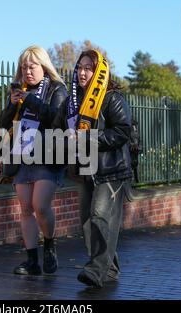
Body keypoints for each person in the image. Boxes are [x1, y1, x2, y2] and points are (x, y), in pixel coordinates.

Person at [53, 50, 132, 288]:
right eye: (80, 67)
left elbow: (122, 132)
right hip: (84, 168)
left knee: (100, 215)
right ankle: (110, 268)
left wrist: (88, 137)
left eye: (89, 68)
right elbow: (56, 127)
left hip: (111, 169)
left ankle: (97, 270)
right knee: (87, 222)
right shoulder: (71, 103)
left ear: (99, 72)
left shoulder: (111, 98)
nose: (82, 72)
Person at [0, 45, 68, 275]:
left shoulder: (57, 89)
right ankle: (31, 261)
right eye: (24, 67)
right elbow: (3, 123)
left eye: (32, 66)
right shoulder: (21, 90)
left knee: (40, 205)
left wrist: (29, 101)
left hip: (48, 156)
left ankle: (49, 245)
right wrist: (12, 104)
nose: (27, 71)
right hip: (22, 153)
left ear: (44, 66)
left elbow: (57, 118)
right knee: (26, 208)